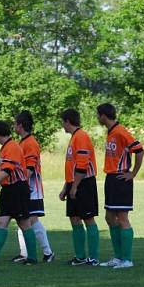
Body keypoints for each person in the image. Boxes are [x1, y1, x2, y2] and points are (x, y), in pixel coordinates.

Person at [0, 121, 38, 266]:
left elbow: (6, 171)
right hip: (8, 191)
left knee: (24, 224)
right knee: (1, 222)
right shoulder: (5, 148)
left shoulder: (12, 147)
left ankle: (33, 258)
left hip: (18, 189)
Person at [97, 103, 144, 269]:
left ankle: (127, 259)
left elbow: (139, 150)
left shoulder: (120, 131)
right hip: (111, 178)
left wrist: (133, 173)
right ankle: (118, 257)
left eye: (98, 115)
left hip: (121, 179)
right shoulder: (111, 132)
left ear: (103, 115)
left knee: (122, 218)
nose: (97, 118)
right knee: (110, 218)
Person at [12, 111, 55, 263]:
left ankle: (46, 252)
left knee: (30, 219)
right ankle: (26, 253)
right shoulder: (22, 142)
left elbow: (30, 168)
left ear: (21, 125)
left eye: (15, 123)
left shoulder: (30, 143)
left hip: (31, 190)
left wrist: (20, 184)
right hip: (25, 188)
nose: (14, 126)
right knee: (24, 219)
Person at [59, 108, 100, 266]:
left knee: (88, 218)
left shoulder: (81, 137)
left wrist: (75, 186)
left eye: (63, 122)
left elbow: (82, 166)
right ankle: (80, 256)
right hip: (73, 183)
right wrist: (66, 187)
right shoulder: (74, 138)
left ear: (68, 121)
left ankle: (94, 258)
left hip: (84, 183)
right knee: (74, 219)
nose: (62, 125)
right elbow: (72, 166)